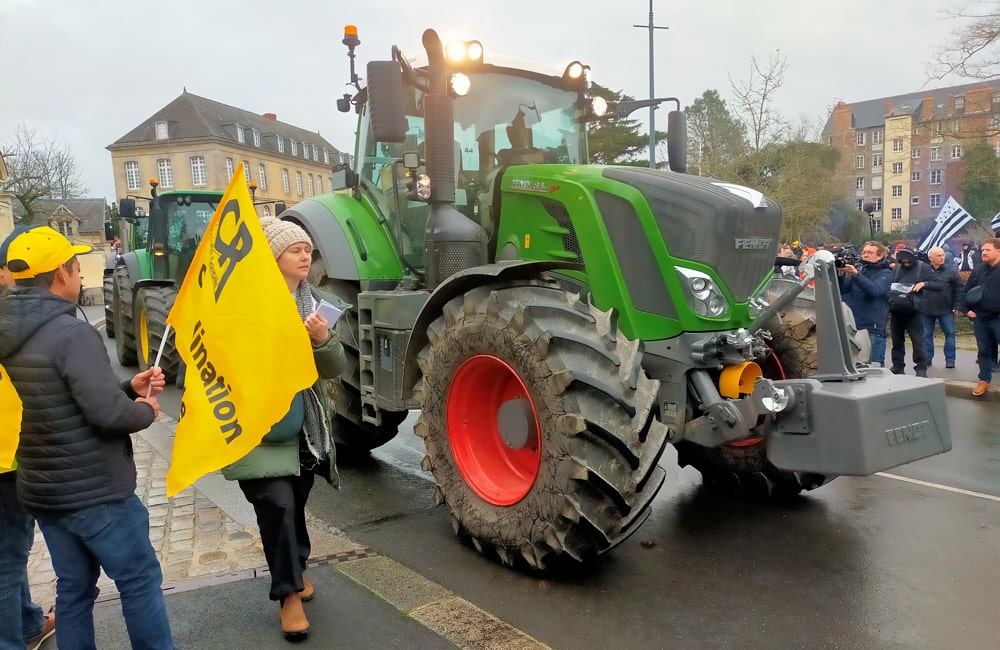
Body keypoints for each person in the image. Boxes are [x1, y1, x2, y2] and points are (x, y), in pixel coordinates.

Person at [0, 227, 174, 649]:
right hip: (95, 491)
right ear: (62, 272)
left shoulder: (12, 332)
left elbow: (63, 398)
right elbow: (106, 415)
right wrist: (145, 410)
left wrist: (128, 386)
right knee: (139, 580)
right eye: (77, 269)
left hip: (45, 492)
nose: (80, 278)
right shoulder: (72, 333)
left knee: (74, 591)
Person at [221, 217, 348, 641]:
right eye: (295, 249)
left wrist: (322, 340)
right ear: (273, 258)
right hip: (259, 427)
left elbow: (334, 369)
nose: (305, 254)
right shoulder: (247, 306)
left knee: (294, 502)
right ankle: (289, 596)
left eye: (308, 249)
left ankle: (296, 565)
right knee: (277, 506)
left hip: (306, 427)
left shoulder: (319, 305)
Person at [1, 228, 57, 650]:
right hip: (6, 455)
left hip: (12, 453)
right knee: (5, 561)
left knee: (11, 551)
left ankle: (27, 623)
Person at [837, 241, 893, 367]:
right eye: (864, 252)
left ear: (880, 256)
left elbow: (875, 291)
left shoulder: (886, 273)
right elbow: (842, 291)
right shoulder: (858, 269)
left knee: (873, 370)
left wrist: (856, 275)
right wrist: (840, 274)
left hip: (872, 328)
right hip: (853, 327)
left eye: (870, 252)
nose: (865, 255)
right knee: (851, 367)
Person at [962, 238, 1000, 396]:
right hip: (981, 318)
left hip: (998, 318)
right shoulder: (978, 270)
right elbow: (967, 291)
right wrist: (967, 310)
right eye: (983, 250)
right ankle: (984, 380)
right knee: (983, 350)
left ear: (998, 251)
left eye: (988, 250)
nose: (983, 252)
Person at [888, 248, 933, 377]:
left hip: (914, 310)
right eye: (903, 260)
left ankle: (921, 368)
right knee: (896, 340)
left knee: (917, 340)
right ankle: (897, 366)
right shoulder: (897, 268)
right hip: (897, 309)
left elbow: (938, 282)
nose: (906, 262)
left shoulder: (922, 267)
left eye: (909, 260)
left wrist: (925, 283)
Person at [921, 246, 965, 369]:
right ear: (930, 258)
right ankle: (927, 359)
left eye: (942, 255)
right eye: (939, 255)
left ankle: (950, 360)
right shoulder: (924, 271)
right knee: (926, 334)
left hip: (946, 308)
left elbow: (960, 289)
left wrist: (957, 305)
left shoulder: (951, 272)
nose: (942, 257)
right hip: (926, 309)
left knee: (950, 333)